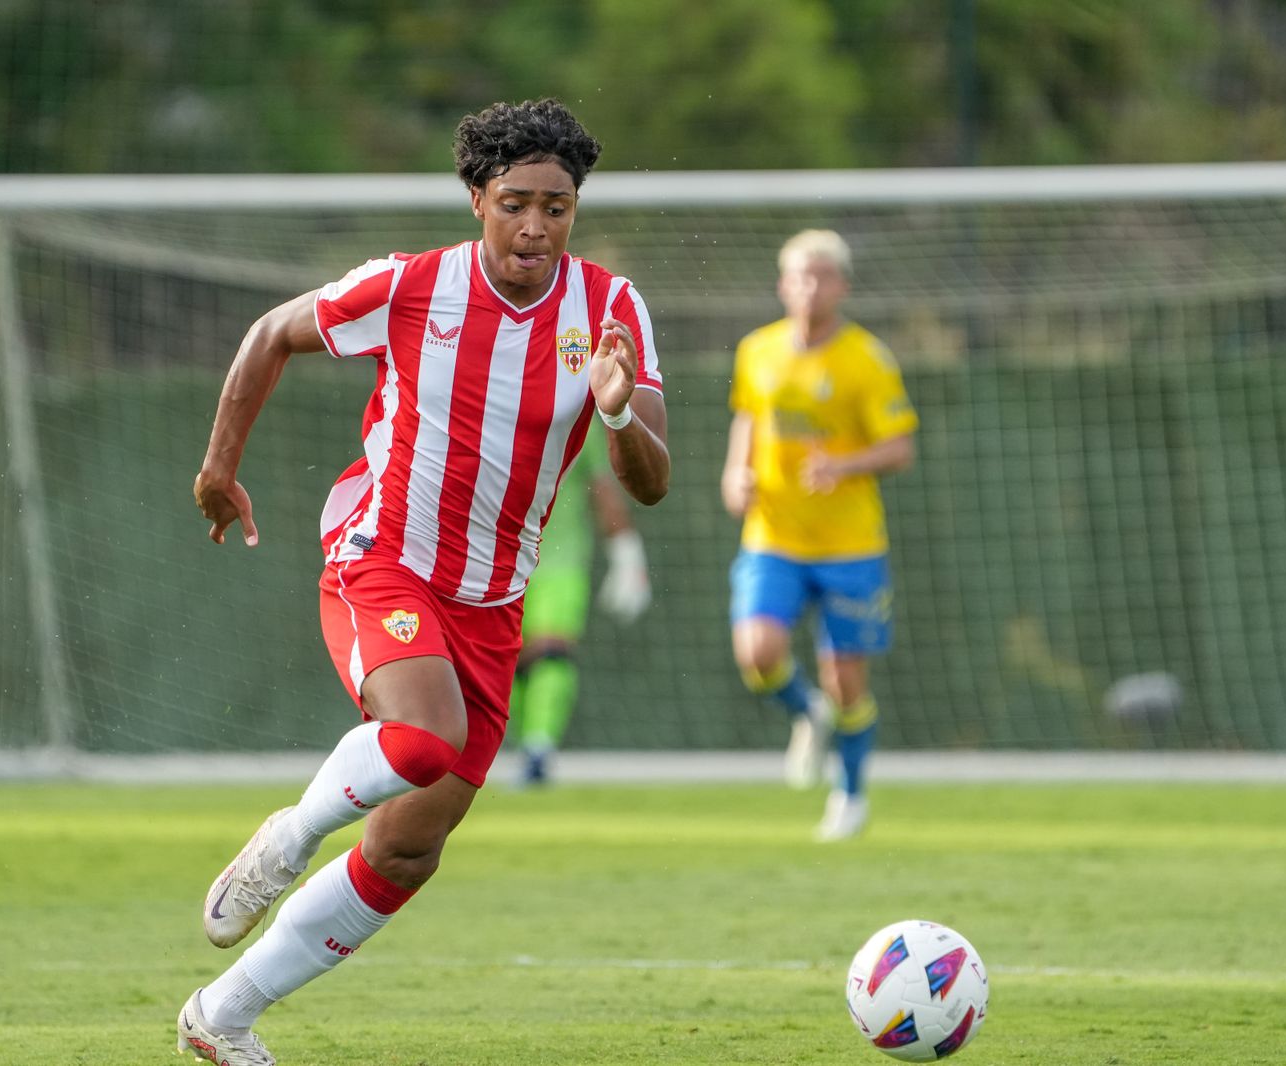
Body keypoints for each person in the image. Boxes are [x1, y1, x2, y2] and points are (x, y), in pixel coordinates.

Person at [177, 98, 669, 1066]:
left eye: (557, 207)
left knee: (408, 848)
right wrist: (219, 467)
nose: (537, 225)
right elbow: (273, 332)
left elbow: (651, 483)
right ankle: (284, 840)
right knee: (422, 737)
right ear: (478, 200)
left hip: (493, 601)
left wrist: (615, 414)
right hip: (383, 556)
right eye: (517, 202)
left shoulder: (610, 310)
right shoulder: (407, 287)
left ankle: (220, 1016)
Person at [720, 229, 916, 843]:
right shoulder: (757, 350)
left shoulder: (866, 359)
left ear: (842, 286)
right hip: (773, 535)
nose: (810, 287)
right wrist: (735, 473)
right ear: (783, 284)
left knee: (847, 680)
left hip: (850, 545)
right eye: (800, 276)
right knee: (757, 652)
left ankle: (851, 794)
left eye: (822, 276)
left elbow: (901, 447)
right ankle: (806, 714)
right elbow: (748, 417)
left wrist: (844, 465)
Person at [509, 428, 652, 786]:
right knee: (508, 662)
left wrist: (627, 554)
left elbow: (601, 487)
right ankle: (515, 745)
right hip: (499, 562)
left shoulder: (575, 413)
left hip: (562, 564)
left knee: (552, 654)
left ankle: (539, 748)